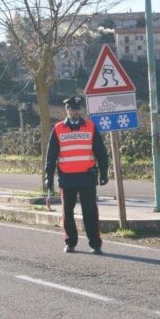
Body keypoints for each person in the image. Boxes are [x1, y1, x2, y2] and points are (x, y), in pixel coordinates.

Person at [45, 95, 109, 254]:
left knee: (91, 213)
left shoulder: (90, 127)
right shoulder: (58, 128)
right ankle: (70, 243)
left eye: (78, 109)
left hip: (87, 177)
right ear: (66, 110)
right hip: (67, 178)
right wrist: (48, 177)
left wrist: (104, 172)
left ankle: (95, 244)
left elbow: (101, 152)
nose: (76, 111)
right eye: (73, 109)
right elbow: (51, 156)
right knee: (67, 213)